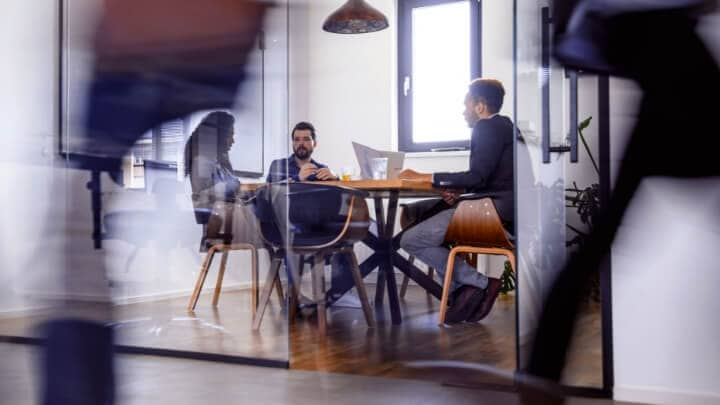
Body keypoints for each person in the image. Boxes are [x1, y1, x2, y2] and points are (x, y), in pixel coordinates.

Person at [398, 78, 513, 324]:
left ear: (480, 106)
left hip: (491, 213)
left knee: (410, 239)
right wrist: (461, 190)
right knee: (417, 213)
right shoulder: (507, 127)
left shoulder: (488, 127)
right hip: (504, 209)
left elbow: (477, 175)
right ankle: (461, 294)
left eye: (466, 105)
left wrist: (423, 176)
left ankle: (480, 284)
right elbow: (489, 177)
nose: (464, 111)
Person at [183, 110, 263, 246]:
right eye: (230, 135)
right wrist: (236, 187)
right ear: (220, 136)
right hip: (220, 217)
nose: (233, 140)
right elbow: (208, 196)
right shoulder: (202, 162)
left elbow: (233, 187)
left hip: (228, 214)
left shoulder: (219, 162)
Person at [266, 121, 338, 182]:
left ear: (315, 143)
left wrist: (336, 178)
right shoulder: (277, 165)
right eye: (297, 139)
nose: (301, 143)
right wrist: (298, 178)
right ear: (293, 143)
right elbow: (266, 194)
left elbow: (335, 196)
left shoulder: (321, 169)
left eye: (306, 139)